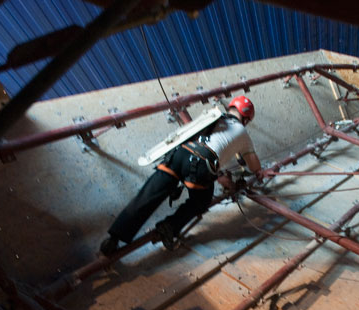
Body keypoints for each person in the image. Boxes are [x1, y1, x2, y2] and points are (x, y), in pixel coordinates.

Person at [100, 95, 262, 256]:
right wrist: (259, 171)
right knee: (201, 201)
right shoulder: (243, 133)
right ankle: (169, 227)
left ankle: (114, 238)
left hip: (177, 154)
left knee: (147, 195)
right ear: (246, 119)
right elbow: (253, 165)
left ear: (231, 108)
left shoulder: (212, 116)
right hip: (201, 163)